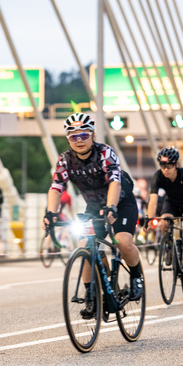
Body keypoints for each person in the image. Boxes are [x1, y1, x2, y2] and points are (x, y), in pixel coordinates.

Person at [43, 113, 143, 318]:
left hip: (120, 202)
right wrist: (51, 213)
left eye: (84, 135)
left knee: (123, 242)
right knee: (86, 245)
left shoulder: (105, 152)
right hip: (95, 206)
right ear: (68, 139)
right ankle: (91, 295)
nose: (79, 140)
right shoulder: (65, 160)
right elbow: (56, 187)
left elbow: (114, 182)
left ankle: (136, 277)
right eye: (73, 136)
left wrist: (111, 207)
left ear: (93, 135)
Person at [145, 146, 183, 284]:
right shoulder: (158, 176)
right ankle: (168, 247)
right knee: (163, 222)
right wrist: (150, 220)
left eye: (169, 166)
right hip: (171, 203)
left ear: (176, 165)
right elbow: (153, 201)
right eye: (162, 166)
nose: (165, 169)